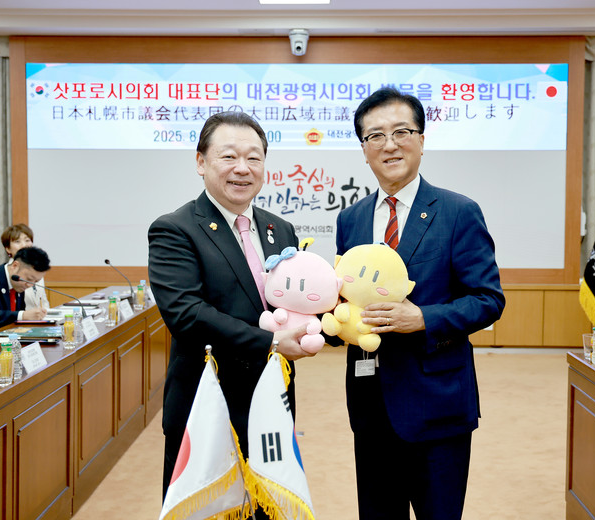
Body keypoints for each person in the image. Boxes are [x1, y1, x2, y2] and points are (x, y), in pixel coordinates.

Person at [336, 87, 505, 520]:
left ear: (422, 140)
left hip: (438, 405)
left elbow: (488, 300)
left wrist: (423, 318)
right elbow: (346, 298)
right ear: (364, 150)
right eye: (375, 135)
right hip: (370, 406)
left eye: (401, 132)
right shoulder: (351, 219)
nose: (389, 144)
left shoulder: (458, 211)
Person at [147, 112, 314, 506]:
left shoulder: (280, 229)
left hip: (271, 403)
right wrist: (272, 342)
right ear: (201, 162)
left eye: (254, 158)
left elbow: (293, 301)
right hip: (207, 405)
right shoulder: (175, 229)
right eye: (229, 156)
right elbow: (186, 314)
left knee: (269, 508)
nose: (243, 168)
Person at [1, 224, 49, 311]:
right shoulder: (8, 273)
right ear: (8, 248)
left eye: (27, 240)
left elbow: (43, 301)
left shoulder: (36, 269)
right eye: (17, 241)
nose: (24, 245)